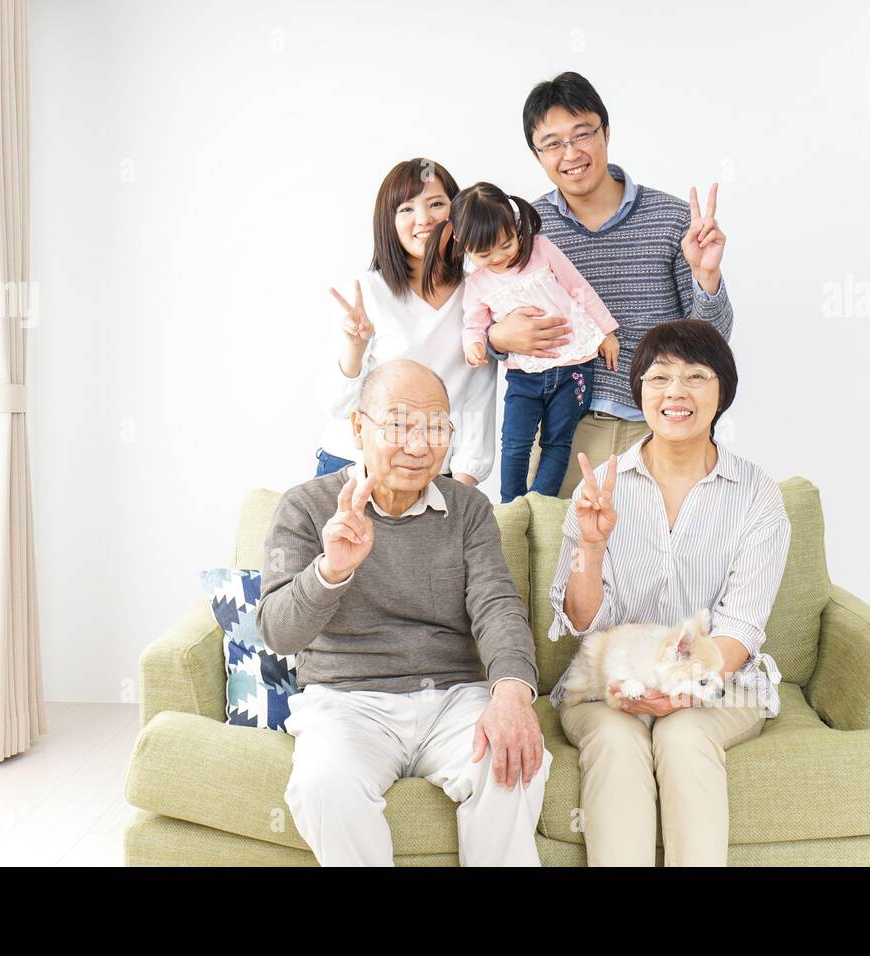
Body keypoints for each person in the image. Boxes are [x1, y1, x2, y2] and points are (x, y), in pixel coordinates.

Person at [261, 358, 553, 866]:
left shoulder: (469, 509)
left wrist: (510, 693)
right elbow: (278, 632)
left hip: (453, 699)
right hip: (347, 702)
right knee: (323, 785)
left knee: (515, 764)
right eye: (399, 424)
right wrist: (330, 571)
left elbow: (497, 606)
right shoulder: (304, 507)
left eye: (436, 426)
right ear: (358, 426)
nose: (419, 446)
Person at [546, 319, 790, 866]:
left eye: (695, 376)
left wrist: (684, 694)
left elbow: (741, 628)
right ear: (640, 392)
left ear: (721, 392)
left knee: (681, 737)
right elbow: (582, 623)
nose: (675, 392)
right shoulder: (600, 488)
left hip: (719, 682)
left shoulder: (757, 497)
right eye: (659, 378)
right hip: (609, 684)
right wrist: (591, 544)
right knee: (615, 739)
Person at [486, 71, 736, 498]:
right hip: (558, 432)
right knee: (551, 558)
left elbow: (711, 341)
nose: (571, 153)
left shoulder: (672, 220)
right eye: (553, 143)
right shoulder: (525, 230)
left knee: (657, 560)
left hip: (655, 426)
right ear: (537, 154)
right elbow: (483, 309)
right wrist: (495, 338)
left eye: (582, 134)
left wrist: (706, 277)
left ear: (606, 133)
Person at [418, 181, 619, 504]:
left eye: (506, 244)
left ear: (515, 226)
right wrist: (474, 345)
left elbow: (578, 286)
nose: (498, 257)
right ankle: (511, 504)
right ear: (462, 244)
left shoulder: (541, 249)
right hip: (524, 377)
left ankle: (540, 503)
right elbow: (473, 324)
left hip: (573, 367)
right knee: (515, 443)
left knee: (558, 441)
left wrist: (606, 331)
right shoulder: (478, 284)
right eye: (485, 253)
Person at [312, 158, 496, 486]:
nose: (423, 219)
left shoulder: (479, 293)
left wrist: (463, 488)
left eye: (436, 204)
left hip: (430, 471)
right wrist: (356, 347)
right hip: (354, 465)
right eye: (406, 209)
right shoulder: (365, 293)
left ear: (457, 214)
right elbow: (338, 407)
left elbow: (478, 400)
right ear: (389, 223)